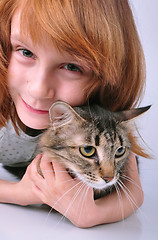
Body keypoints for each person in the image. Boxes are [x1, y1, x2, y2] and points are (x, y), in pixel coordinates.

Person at [0, 0, 147, 228]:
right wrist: (20, 193)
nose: (38, 89)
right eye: (26, 51)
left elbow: (134, 191)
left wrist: (91, 215)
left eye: (72, 66)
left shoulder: (98, 118)